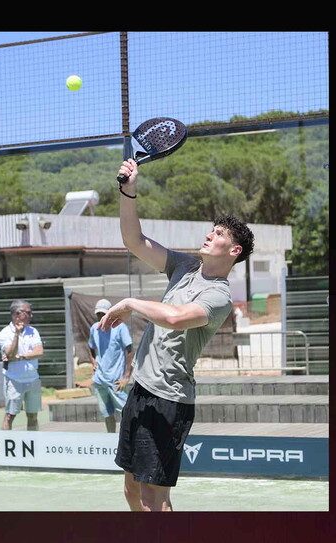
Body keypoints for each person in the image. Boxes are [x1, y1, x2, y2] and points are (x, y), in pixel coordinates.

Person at [97, 158, 255, 512]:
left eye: (219, 234)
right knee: (131, 493)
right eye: (211, 230)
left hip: (169, 401)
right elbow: (133, 239)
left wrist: (131, 302)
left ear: (234, 251)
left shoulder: (219, 296)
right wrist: (128, 192)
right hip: (140, 390)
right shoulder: (183, 266)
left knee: (156, 499)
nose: (209, 234)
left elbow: (175, 318)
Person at [85, 298, 133, 433]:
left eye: (103, 314)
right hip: (99, 379)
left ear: (110, 313)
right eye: (99, 314)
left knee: (126, 413)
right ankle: (111, 440)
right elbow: (90, 347)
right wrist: (93, 362)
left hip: (116, 380)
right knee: (107, 414)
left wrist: (126, 376)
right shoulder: (94, 328)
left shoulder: (120, 327)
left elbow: (129, 350)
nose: (101, 317)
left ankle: (128, 442)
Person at [0, 300, 43, 431]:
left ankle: (33, 446)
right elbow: (11, 355)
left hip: (33, 378)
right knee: (10, 416)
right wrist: (16, 334)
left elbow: (39, 351)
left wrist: (22, 357)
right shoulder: (4, 334)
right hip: (14, 380)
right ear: (18, 314)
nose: (31, 316)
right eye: (28, 313)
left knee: (33, 416)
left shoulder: (33, 331)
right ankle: (6, 446)